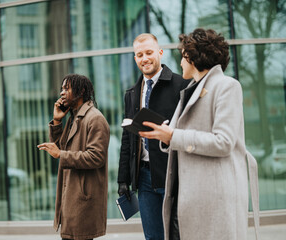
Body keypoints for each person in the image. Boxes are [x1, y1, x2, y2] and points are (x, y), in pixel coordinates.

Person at [139, 28, 259, 240]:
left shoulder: (227, 86)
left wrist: (173, 136)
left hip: (214, 200)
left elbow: (223, 142)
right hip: (187, 198)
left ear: (192, 57)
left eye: (183, 56)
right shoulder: (190, 89)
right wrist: (163, 135)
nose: (180, 63)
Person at [117, 33, 189, 240]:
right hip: (144, 178)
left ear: (160, 53)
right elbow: (127, 139)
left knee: (178, 235)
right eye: (139, 55)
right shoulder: (131, 93)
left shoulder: (181, 85)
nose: (144, 58)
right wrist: (123, 178)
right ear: (135, 59)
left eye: (149, 53)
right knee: (153, 237)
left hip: (173, 173)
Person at [37, 74, 110, 240]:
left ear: (81, 90)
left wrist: (60, 154)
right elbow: (61, 148)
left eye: (66, 88)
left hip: (82, 199)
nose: (62, 93)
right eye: (62, 88)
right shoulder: (73, 118)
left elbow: (96, 157)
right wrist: (56, 122)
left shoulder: (95, 118)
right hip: (71, 195)